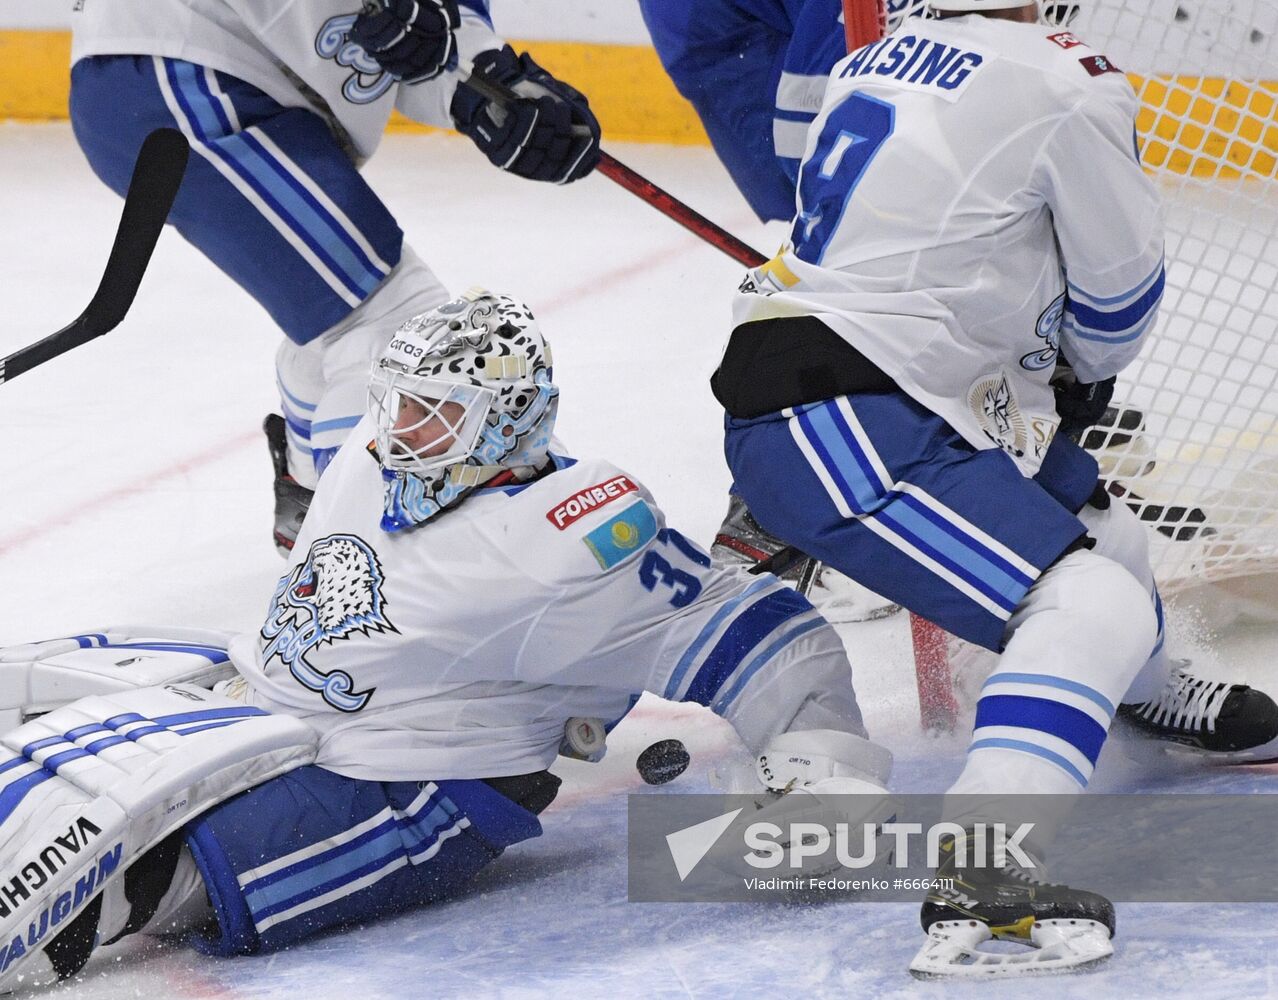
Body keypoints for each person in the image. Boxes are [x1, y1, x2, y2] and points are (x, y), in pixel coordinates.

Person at [0, 290, 894, 989]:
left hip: (413, 781)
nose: (397, 431)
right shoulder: (383, 447)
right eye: (398, 404)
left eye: (429, 414)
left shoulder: (576, 539)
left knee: (134, 864)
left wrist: (823, 763)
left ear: (505, 423)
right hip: (262, 691)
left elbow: (760, 634)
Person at [708, 0, 1278, 975]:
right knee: (1087, 597)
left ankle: (1147, 693)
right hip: (855, 414)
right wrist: (1081, 370)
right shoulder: (1064, 75)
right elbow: (1119, 294)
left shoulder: (875, 57)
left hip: (894, 387)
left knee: (1103, 530)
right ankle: (987, 875)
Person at [67, 0, 602, 554]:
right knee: (388, 327)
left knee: (343, 326)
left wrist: (493, 95)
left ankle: (312, 505)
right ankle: (361, 565)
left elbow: (420, 42)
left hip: (216, 78)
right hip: (185, 72)